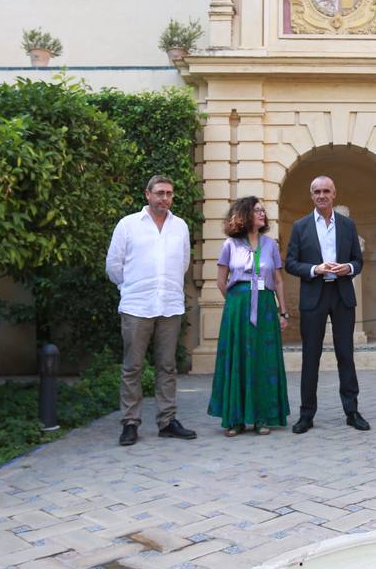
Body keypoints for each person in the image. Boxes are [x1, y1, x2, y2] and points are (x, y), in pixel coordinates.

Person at [105, 175, 197, 446]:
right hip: (136, 305)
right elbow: (114, 265)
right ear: (147, 194)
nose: (164, 198)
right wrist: (130, 288)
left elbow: (183, 263)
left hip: (169, 305)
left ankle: (167, 421)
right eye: (159, 193)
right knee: (132, 367)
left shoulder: (180, 226)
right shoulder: (128, 225)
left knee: (167, 367)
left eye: (169, 193)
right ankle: (130, 423)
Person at [285, 175, 368, 433]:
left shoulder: (347, 225)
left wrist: (349, 268)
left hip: (342, 294)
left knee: (346, 355)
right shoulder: (300, 226)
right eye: (317, 191)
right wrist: (315, 269)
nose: (321, 195)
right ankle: (306, 415)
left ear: (334, 194)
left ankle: (352, 412)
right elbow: (290, 263)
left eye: (326, 191)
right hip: (314, 295)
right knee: (311, 357)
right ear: (312, 196)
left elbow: (358, 260)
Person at [208, 196, 291, 436]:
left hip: (265, 306)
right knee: (238, 359)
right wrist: (237, 302)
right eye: (257, 210)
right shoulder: (230, 245)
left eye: (263, 211)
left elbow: (277, 280)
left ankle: (262, 417)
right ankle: (235, 419)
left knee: (263, 360)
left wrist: (282, 311)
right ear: (244, 214)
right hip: (238, 307)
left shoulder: (270, 245)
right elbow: (221, 281)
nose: (262, 214)